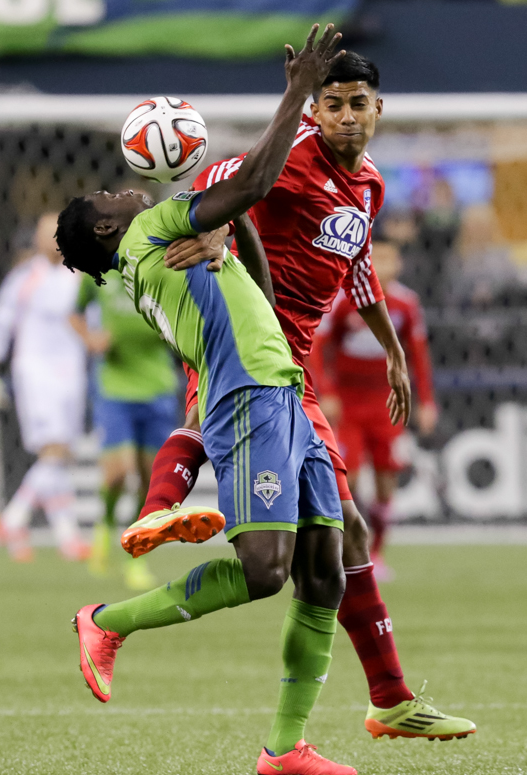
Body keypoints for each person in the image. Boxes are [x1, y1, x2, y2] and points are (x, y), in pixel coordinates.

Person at [57, 25, 380, 775]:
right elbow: (253, 186)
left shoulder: (156, 246)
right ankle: (105, 621)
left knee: (325, 570)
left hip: (285, 391)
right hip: (248, 399)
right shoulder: (153, 228)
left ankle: (286, 746)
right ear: (107, 224)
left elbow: (243, 230)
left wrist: (234, 237)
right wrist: (296, 90)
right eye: (105, 194)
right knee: (266, 569)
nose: (119, 185)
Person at [129, 52, 476, 739]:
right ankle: (154, 517)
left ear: (379, 111)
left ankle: (388, 700)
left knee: (338, 536)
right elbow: (224, 177)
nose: (346, 116)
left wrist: (395, 352)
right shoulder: (289, 158)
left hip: (294, 369)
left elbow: (359, 266)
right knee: (285, 550)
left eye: (358, 103)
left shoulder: (370, 186)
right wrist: (209, 228)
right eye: (333, 104)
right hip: (244, 340)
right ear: (314, 111)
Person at [310, 236, 438, 581]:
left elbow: (418, 354)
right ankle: (351, 549)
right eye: (375, 257)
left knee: (386, 479)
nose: (381, 265)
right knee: (348, 479)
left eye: (388, 258)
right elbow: (320, 348)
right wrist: (329, 391)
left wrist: (426, 401)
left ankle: (376, 554)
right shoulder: (345, 299)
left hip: (386, 402)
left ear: (399, 264)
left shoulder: (407, 303)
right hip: (349, 405)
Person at [70, 267, 179, 590]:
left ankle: (136, 554)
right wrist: (91, 339)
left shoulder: (159, 270)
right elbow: (74, 314)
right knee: (119, 472)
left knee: (149, 478)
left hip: (157, 384)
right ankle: (104, 526)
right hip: (114, 385)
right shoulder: (97, 271)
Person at [0, 212, 89, 561]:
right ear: (37, 238)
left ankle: (60, 536)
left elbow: (91, 321)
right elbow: (1, 323)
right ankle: (17, 520)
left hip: (72, 373)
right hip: (35, 372)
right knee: (52, 450)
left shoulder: (81, 277)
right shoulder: (24, 278)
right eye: (47, 234)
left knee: (61, 454)